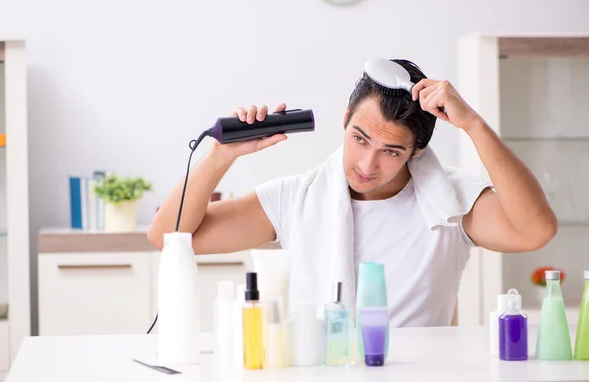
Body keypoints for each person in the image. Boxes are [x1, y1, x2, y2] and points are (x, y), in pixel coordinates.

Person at [147, 59, 558, 327]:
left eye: (390, 151)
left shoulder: (450, 202)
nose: (366, 164)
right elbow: (168, 238)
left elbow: (535, 231)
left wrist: (473, 125)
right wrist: (222, 156)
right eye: (359, 139)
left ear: (416, 151)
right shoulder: (299, 198)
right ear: (345, 120)